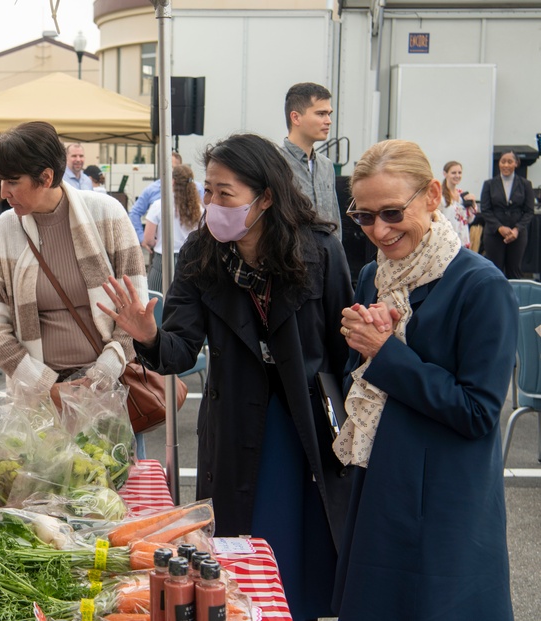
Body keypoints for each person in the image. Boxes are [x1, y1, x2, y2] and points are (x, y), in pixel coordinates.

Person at [100, 134, 353, 621]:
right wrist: (148, 334)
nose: (212, 204)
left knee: (305, 542)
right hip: (238, 415)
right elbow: (177, 350)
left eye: (225, 193)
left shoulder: (320, 250)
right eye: (208, 191)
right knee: (243, 544)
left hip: (306, 419)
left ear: (266, 197)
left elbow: (343, 349)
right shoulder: (201, 253)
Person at [332, 139, 516, 620]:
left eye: (392, 212)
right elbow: (364, 378)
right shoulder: (375, 273)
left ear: (433, 195)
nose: (380, 230)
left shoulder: (481, 285)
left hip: (444, 499)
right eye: (365, 217)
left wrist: (385, 352)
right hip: (379, 483)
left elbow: (478, 413)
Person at [0, 121, 146, 401]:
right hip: (38, 396)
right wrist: (45, 385)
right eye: (1, 180)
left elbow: (136, 308)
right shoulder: (0, 233)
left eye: (13, 181)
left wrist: (104, 372)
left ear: (45, 177)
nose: (4, 192)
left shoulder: (108, 215)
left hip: (111, 387)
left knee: (110, 447)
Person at [280, 82, 341, 239]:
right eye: (321, 114)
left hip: (326, 258)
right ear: (296, 117)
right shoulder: (276, 163)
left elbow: (335, 220)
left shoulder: (326, 165)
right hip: (292, 259)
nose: (328, 121)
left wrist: (337, 259)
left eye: (329, 114)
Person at [143, 164, 202, 293]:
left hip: (162, 261)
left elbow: (148, 239)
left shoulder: (159, 205)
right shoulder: (199, 209)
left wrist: (155, 243)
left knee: (157, 304)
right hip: (191, 260)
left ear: (173, 181)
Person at [480, 149, 535, 278]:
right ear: (499, 163)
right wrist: (499, 228)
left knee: (514, 271)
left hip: (517, 235)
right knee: (494, 270)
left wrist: (517, 229)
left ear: (516, 163)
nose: (506, 165)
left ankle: (513, 298)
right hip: (494, 233)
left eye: (510, 162)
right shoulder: (489, 184)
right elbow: (485, 209)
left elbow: (529, 211)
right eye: (503, 161)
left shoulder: (525, 184)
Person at [128, 151, 204, 240]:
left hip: (191, 247)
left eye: (171, 168)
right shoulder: (152, 189)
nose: (167, 171)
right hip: (161, 247)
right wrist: (142, 238)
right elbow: (134, 213)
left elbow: (205, 216)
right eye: (164, 167)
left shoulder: (197, 188)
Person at [438, 160, 475, 248]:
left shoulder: (462, 195)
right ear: (445, 174)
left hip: (463, 240)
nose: (457, 176)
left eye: (459, 173)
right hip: (447, 241)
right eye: (453, 173)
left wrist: (472, 204)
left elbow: (470, 220)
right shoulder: (440, 196)